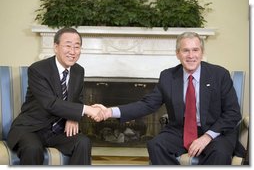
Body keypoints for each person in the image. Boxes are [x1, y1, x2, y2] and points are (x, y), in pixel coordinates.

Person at [94, 32, 242, 165]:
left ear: (202, 52)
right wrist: (109, 112)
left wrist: (207, 137)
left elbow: (233, 113)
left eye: (195, 50)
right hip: (180, 130)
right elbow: (147, 105)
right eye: (185, 50)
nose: (191, 55)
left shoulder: (219, 75)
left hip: (215, 131)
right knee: (155, 145)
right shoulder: (168, 76)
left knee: (220, 153)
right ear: (178, 54)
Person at [7, 27, 105, 165]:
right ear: (56, 47)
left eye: (77, 47)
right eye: (68, 45)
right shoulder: (38, 69)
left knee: (83, 142)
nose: (73, 51)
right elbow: (50, 103)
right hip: (32, 128)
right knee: (33, 148)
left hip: (59, 131)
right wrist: (87, 109)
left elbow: (78, 98)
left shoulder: (78, 71)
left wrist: (73, 117)